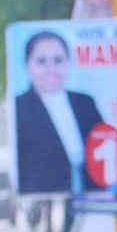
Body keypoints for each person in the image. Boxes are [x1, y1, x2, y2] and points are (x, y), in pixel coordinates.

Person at [12, 28, 107, 199]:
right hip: (45, 200)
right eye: (41, 61)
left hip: (92, 197)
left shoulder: (85, 102)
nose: (52, 69)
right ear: (27, 65)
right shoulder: (18, 107)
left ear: (68, 62)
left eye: (58, 60)